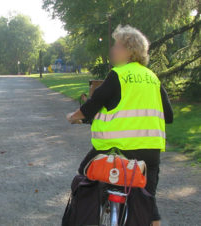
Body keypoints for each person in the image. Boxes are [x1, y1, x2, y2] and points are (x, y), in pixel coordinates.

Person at [66, 25, 173, 226]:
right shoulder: (153, 78)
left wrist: (73, 117)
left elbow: (92, 105)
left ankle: (88, 216)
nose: (112, 50)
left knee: (84, 174)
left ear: (129, 50)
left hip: (116, 150)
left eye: (117, 45)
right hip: (150, 152)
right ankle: (153, 220)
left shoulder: (119, 74)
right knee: (147, 198)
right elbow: (168, 115)